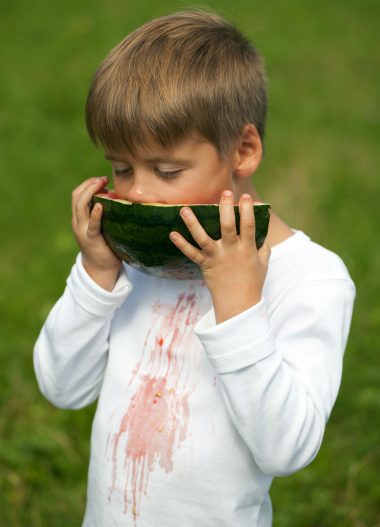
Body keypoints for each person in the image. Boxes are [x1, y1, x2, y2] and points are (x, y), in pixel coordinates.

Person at [33, 10, 355, 527]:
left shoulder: (312, 279)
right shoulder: (137, 263)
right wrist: (96, 276)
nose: (136, 191)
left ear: (243, 150)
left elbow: (287, 448)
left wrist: (238, 304)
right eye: (120, 168)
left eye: (165, 170)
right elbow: (60, 387)